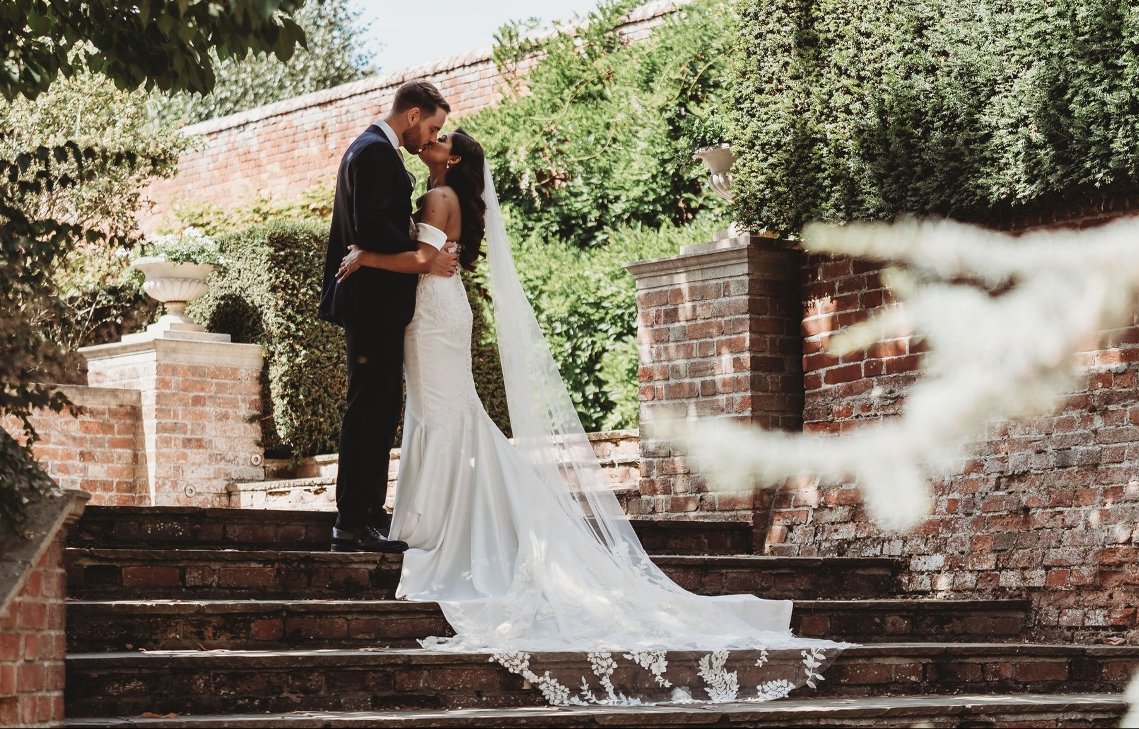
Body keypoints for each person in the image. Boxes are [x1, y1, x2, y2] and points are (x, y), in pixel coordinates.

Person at [334, 129, 840, 695]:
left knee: (442, 413)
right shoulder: (439, 197)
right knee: (445, 413)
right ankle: (445, 517)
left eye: (439, 138)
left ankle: (434, 524)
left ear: (452, 159)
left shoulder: (437, 199)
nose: (428, 140)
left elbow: (427, 258)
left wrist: (367, 255)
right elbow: (437, 256)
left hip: (433, 314)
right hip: (440, 312)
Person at [318, 80, 458, 553]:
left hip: (375, 302)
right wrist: (423, 253)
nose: (432, 136)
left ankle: (362, 518)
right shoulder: (375, 152)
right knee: (370, 412)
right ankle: (355, 522)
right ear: (414, 115)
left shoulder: (374, 148)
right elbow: (371, 226)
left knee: (377, 411)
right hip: (371, 302)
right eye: (434, 126)